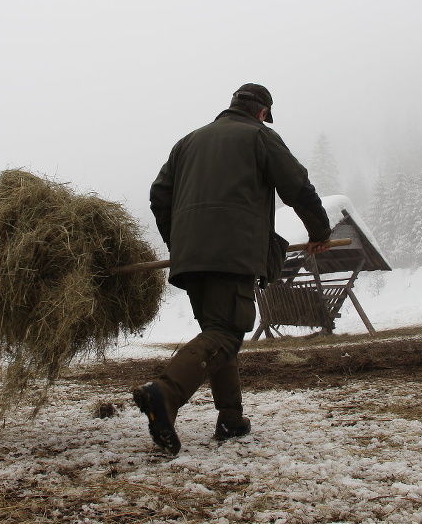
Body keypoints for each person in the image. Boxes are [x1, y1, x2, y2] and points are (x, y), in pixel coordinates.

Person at [133, 83, 333, 455]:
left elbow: (159, 195)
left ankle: (231, 417)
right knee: (226, 331)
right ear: (261, 112)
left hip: (191, 257)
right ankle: (166, 394)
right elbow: (298, 187)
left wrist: (179, 242)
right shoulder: (259, 137)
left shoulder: (187, 142)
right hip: (232, 251)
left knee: (218, 332)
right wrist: (319, 231)